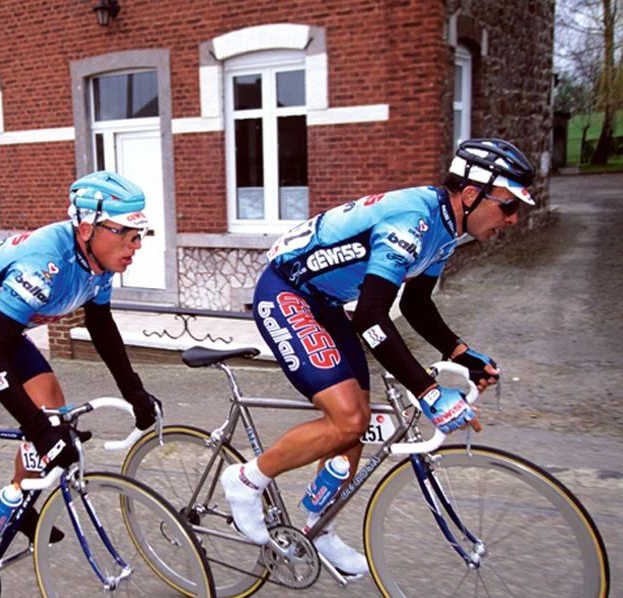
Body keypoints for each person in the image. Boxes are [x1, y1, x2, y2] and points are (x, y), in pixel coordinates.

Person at [221, 138, 534, 576]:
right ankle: (246, 480)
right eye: (508, 206)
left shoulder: (445, 228)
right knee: (347, 417)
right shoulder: (413, 221)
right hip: (286, 291)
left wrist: (461, 355)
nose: (514, 218)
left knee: (359, 422)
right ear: (471, 194)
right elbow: (371, 315)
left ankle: (318, 525)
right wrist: (427, 392)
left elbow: (415, 305)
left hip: (327, 303)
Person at [0, 170, 160, 598]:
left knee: (53, 408)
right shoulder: (45, 263)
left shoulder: (98, 261)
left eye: (140, 234)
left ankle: (18, 500)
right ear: (87, 227)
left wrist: (134, 391)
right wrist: (39, 433)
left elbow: (100, 326)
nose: (136, 246)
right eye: (127, 234)